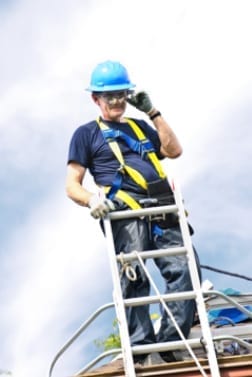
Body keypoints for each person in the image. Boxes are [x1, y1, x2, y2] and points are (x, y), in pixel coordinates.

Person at [66, 60, 201, 365]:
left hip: (163, 209)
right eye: (109, 96)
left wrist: (153, 113)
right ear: (95, 99)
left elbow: (173, 150)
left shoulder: (141, 128)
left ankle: (171, 342)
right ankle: (140, 349)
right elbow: (71, 184)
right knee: (134, 278)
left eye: (121, 95)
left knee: (185, 271)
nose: (116, 102)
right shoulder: (86, 134)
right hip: (125, 213)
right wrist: (91, 201)